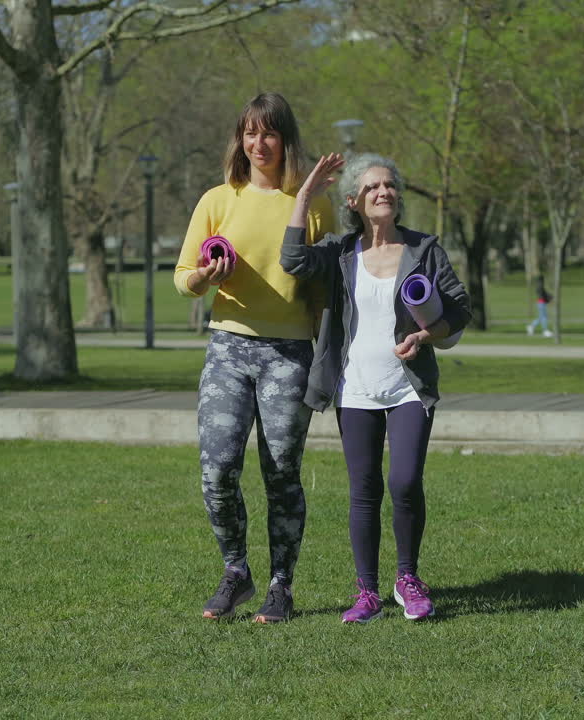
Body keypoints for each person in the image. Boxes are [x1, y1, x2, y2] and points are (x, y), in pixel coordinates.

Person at [280, 152, 471, 623]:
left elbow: (460, 307)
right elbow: (291, 259)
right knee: (363, 490)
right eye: (372, 188)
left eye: (389, 185)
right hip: (354, 388)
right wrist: (304, 195)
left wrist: (429, 333)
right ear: (354, 201)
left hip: (408, 386)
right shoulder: (340, 253)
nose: (383, 192)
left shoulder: (424, 249)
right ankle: (366, 592)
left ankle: (408, 579)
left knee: (404, 482)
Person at [173, 92, 336, 624]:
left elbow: (325, 289)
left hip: (289, 353)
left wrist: (327, 357)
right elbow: (183, 279)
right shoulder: (218, 200)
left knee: (281, 470)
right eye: (249, 133)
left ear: (285, 139)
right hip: (228, 346)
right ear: (238, 140)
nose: (257, 143)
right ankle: (236, 571)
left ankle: (280, 586)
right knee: (217, 470)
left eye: (268, 133)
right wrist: (205, 276)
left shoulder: (312, 205)